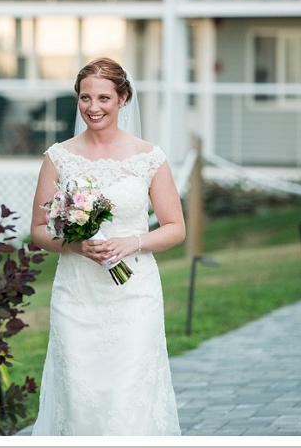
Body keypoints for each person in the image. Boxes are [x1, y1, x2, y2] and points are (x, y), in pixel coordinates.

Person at [29, 57, 185, 435]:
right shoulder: (59, 157)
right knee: (80, 399)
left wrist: (132, 242)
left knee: (128, 397)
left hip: (134, 295)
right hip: (77, 295)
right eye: (85, 98)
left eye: (103, 98)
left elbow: (175, 227)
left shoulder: (149, 157)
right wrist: (75, 246)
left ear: (123, 98)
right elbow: (37, 229)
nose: (93, 107)